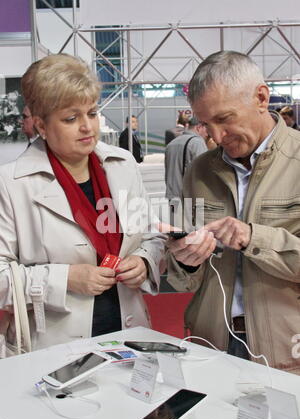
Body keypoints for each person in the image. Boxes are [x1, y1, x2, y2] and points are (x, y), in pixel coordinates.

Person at [0, 54, 165, 353]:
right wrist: (65, 279)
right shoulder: (11, 183)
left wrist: (143, 262)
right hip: (51, 343)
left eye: (91, 112)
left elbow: (150, 235)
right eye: (71, 118)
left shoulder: (123, 164)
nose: (87, 127)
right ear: (41, 125)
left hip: (130, 330)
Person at [165, 50, 300, 374]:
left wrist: (253, 237)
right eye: (205, 124)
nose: (215, 136)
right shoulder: (199, 170)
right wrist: (184, 258)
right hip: (212, 344)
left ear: (261, 98)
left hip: (288, 350)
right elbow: (183, 281)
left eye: (224, 119)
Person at [164, 116, 208, 202]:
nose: (207, 134)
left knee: (175, 216)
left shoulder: (172, 143)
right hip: (190, 198)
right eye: (206, 130)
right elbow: (203, 172)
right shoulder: (197, 142)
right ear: (199, 127)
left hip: (172, 196)